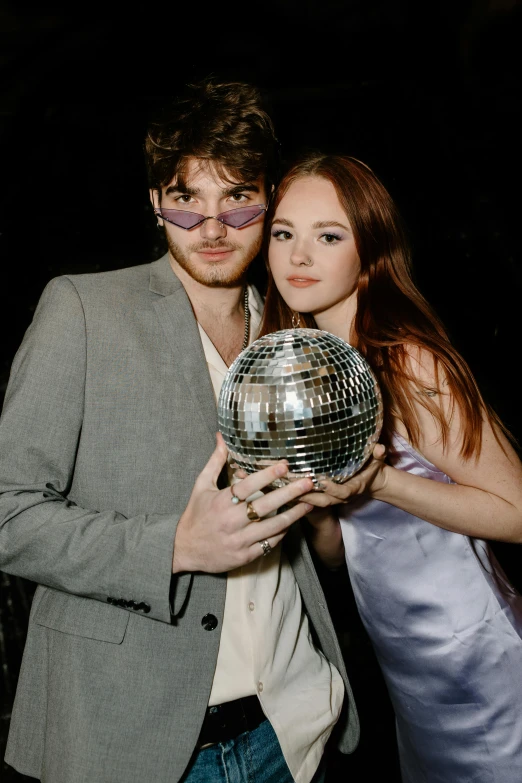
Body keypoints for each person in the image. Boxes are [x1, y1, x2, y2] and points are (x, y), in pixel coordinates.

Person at [0, 85, 359, 783]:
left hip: (292, 728)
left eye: (238, 197)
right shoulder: (81, 309)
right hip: (134, 741)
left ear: (271, 197)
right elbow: (7, 513)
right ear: (155, 202)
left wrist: (334, 508)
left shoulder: (295, 337)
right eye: (185, 197)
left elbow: (321, 542)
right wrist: (175, 546)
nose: (213, 225)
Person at [259, 151, 522, 782]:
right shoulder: (306, 370)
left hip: (477, 658)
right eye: (283, 233)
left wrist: (379, 480)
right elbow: (341, 555)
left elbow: (517, 514)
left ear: (369, 250)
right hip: (407, 668)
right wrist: (320, 506)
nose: (298, 257)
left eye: (328, 236)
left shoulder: (407, 362)